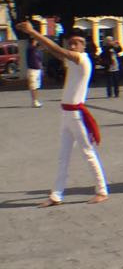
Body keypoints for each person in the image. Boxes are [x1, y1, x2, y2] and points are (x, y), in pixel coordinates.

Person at [18, 21, 109, 206]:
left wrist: (33, 32)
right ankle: (56, 195)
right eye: (71, 42)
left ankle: (101, 190)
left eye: (77, 42)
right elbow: (55, 51)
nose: (73, 45)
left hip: (76, 115)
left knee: (87, 153)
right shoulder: (72, 59)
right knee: (63, 157)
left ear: (84, 45)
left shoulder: (82, 59)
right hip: (67, 115)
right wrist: (35, 36)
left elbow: (60, 51)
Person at [24, 34, 43, 107]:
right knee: (33, 86)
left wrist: (41, 68)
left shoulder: (36, 50)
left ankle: (36, 100)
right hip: (32, 70)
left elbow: (39, 60)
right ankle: (34, 101)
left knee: (37, 86)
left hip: (37, 70)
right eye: (36, 40)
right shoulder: (30, 48)